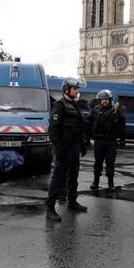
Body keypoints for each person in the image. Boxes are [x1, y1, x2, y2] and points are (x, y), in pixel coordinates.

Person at [46, 77, 88, 222]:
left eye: (77, 88)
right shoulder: (59, 105)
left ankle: (72, 202)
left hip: (74, 146)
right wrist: (57, 147)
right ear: (66, 89)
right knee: (58, 178)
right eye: (75, 88)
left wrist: (82, 144)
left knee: (73, 176)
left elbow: (79, 127)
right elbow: (53, 129)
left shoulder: (75, 105)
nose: (77, 91)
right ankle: (50, 208)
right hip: (63, 147)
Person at [87, 90, 126, 191]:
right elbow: (88, 123)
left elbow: (122, 126)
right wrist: (86, 138)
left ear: (110, 100)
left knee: (110, 163)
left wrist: (122, 139)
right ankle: (96, 182)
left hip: (111, 141)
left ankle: (110, 183)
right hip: (99, 141)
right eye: (102, 99)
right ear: (100, 100)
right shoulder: (95, 110)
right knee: (98, 162)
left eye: (106, 99)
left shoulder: (116, 111)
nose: (104, 101)